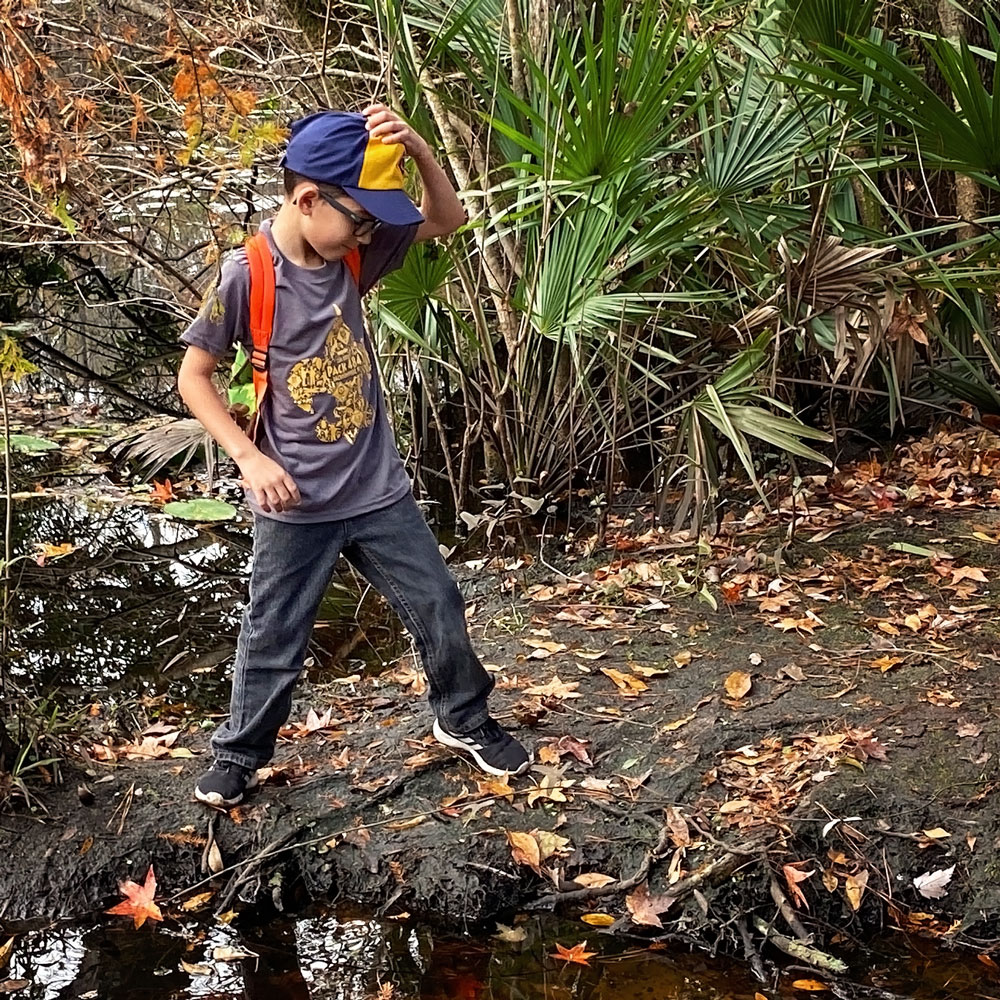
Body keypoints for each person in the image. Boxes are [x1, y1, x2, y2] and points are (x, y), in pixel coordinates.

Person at [176, 104, 531, 807]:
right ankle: (239, 754)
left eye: (374, 220)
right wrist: (248, 457)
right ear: (308, 200)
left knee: (437, 603)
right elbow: (194, 376)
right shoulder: (246, 274)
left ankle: (463, 718)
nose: (369, 230)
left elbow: (447, 217)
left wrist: (421, 147)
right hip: (294, 501)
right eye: (360, 217)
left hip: (377, 489)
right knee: (274, 633)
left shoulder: (354, 254)